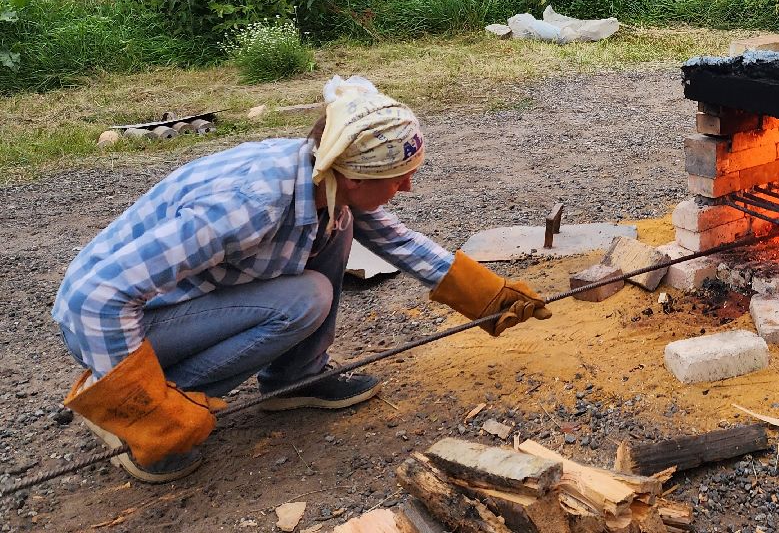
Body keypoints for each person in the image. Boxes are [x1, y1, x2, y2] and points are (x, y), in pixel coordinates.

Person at [51, 75, 550, 484]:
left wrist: (491, 297)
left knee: (340, 227)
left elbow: (397, 240)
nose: (407, 186)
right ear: (353, 175)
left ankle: (295, 378)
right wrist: (140, 407)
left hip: (187, 304)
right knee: (305, 298)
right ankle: (129, 412)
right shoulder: (250, 204)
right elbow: (94, 297)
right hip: (123, 326)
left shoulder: (321, 175)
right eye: (398, 177)